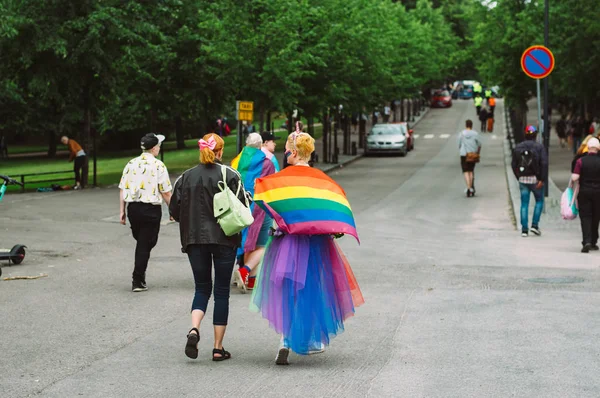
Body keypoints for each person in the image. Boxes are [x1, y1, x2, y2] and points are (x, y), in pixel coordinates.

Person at [250, 130, 364, 365]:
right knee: (312, 288)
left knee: (287, 291)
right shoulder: (322, 181)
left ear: (293, 152)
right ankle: (312, 339)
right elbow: (334, 206)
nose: (284, 154)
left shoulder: (280, 180)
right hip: (316, 244)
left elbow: (263, 197)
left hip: (286, 243)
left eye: (286, 150)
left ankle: (284, 340)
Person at [169, 133, 249, 360]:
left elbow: (174, 210)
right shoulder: (230, 174)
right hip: (225, 238)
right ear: (220, 151)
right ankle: (217, 347)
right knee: (221, 292)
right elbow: (244, 203)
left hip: (194, 239)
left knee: (201, 287)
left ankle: (194, 329)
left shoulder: (185, 177)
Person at [119, 133, 172, 292]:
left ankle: (139, 276)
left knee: (144, 241)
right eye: (159, 145)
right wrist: (174, 209)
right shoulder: (158, 165)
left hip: (133, 208)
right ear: (154, 148)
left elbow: (123, 188)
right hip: (150, 209)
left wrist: (122, 210)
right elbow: (166, 192)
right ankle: (137, 279)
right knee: (145, 243)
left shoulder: (131, 163)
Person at [231, 133, 277, 293]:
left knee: (247, 242)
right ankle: (247, 273)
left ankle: (247, 278)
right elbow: (272, 188)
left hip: (241, 207)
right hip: (260, 208)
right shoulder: (267, 163)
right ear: (260, 146)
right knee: (264, 244)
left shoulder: (236, 161)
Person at [511, 125, 548, 237]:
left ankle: (524, 230)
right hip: (536, 179)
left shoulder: (518, 147)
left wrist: (518, 176)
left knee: (524, 204)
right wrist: (542, 179)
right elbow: (544, 163)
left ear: (525, 134)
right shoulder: (539, 147)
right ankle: (534, 225)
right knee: (539, 201)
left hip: (523, 179)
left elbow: (513, 164)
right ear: (535, 135)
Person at [572, 137, 600, 253]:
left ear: (588, 148)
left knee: (585, 216)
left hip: (584, 191)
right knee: (596, 216)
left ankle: (586, 241)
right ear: (598, 149)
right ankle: (594, 241)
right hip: (598, 192)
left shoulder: (580, 161)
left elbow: (575, 177)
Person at [458, 120, 482, 197]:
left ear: (466, 125)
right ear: (471, 125)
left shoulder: (461, 134)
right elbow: (479, 144)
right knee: (471, 171)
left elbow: (459, 144)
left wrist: (461, 150)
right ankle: (471, 188)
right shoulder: (475, 134)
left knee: (465, 171)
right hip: (472, 154)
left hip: (464, 154)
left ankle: (468, 188)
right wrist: (477, 152)